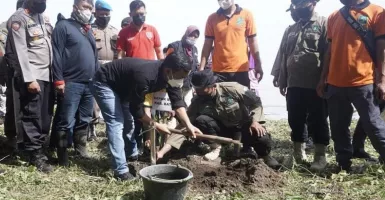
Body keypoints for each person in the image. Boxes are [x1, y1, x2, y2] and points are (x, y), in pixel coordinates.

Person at [91, 51, 203, 181]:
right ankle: (120, 171)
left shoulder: (171, 77)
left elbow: (177, 103)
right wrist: (155, 124)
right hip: (105, 82)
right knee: (117, 123)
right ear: (168, 71)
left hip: (125, 87)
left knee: (128, 123)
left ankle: (130, 155)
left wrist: (188, 125)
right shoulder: (145, 76)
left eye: (185, 77)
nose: (182, 80)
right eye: (180, 76)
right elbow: (136, 110)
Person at [157, 70, 280, 169]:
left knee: (262, 136)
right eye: (196, 88)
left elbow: (256, 102)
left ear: (212, 86)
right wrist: (163, 152)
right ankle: (216, 148)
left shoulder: (233, 89)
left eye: (201, 88)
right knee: (201, 120)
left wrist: (255, 121)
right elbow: (185, 124)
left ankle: (265, 156)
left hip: (243, 128)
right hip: (222, 131)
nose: (197, 91)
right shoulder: (198, 100)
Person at [317, 0, 385, 171]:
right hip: (335, 84)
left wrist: (382, 79)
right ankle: (343, 163)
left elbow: (381, 48)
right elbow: (329, 51)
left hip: (364, 81)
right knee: (338, 127)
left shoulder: (377, 12)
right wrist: (322, 78)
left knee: (373, 125)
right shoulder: (334, 16)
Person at [279, 0, 330, 171]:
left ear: (313, 3)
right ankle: (298, 154)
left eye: (302, 3)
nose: (298, 7)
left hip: (315, 83)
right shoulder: (291, 29)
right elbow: (285, 54)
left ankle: (320, 156)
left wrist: (324, 79)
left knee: (318, 119)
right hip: (294, 83)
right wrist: (282, 78)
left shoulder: (324, 23)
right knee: (295, 118)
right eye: (296, 4)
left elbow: (328, 54)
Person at [5, 0, 54, 173]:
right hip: (32, 75)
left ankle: (41, 148)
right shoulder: (19, 18)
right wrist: (29, 79)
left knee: (45, 114)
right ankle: (35, 155)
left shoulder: (41, 17)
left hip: (46, 74)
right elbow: (20, 51)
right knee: (31, 115)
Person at [52, 0, 98, 166]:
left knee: (84, 118)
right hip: (70, 82)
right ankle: (62, 156)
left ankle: (80, 149)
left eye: (90, 8)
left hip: (89, 83)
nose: (87, 10)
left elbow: (95, 57)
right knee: (65, 120)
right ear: (75, 8)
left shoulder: (88, 30)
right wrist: (58, 80)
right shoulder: (63, 26)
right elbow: (56, 55)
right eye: (84, 7)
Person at [116, 0, 164, 161]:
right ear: (130, 15)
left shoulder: (152, 30)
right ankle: (132, 149)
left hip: (149, 81)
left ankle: (149, 148)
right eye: (137, 14)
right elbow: (120, 55)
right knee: (132, 115)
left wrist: (162, 74)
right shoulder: (124, 33)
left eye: (143, 14)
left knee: (148, 113)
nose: (141, 17)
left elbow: (159, 53)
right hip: (131, 80)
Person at [199, 0, 263, 89]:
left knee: (241, 101)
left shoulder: (246, 15)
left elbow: (252, 42)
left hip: (240, 70)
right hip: (218, 71)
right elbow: (207, 45)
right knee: (219, 101)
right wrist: (201, 68)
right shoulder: (212, 18)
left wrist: (258, 64)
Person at [89, 0, 119, 140]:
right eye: (102, 14)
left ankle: (109, 128)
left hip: (111, 68)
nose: (105, 16)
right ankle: (92, 128)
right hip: (96, 66)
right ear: (96, 14)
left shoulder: (115, 31)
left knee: (111, 99)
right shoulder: (90, 29)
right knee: (94, 100)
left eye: (107, 14)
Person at [165, 25, 200, 107]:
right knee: (175, 107)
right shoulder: (174, 46)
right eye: (191, 35)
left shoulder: (195, 49)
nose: (193, 38)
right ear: (186, 34)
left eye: (195, 37)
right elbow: (166, 64)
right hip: (175, 84)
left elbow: (195, 66)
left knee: (188, 107)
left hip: (188, 85)